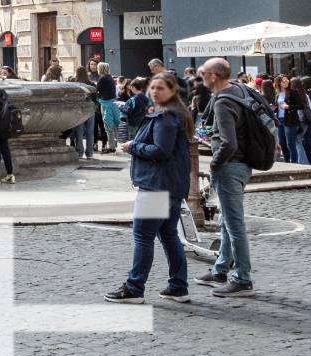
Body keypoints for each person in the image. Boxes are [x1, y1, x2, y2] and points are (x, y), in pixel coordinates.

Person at [105, 73, 192, 303]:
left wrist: (134, 146)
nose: (154, 92)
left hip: (157, 186)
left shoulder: (165, 117)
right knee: (168, 234)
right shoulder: (169, 113)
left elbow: (161, 151)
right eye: (152, 87)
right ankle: (178, 286)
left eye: (160, 88)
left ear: (172, 91)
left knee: (143, 235)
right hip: (169, 185)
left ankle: (135, 288)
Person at [199, 58, 258, 297]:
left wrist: (214, 164)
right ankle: (220, 269)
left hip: (230, 167)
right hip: (241, 165)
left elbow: (229, 143)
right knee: (227, 220)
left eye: (203, 72)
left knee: (234, 225)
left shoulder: (223, 102)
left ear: (214, 76)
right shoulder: (239, 90)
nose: (200, 76)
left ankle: (243, 278)